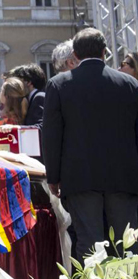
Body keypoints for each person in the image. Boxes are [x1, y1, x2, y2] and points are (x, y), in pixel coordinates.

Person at [43, 28, 138, 260]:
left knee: (89, 242)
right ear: (105, 52)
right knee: (126, 244)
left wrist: (53, 177)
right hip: (123, 177)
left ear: (74, 54)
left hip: (80, 177)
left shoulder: (58, 85)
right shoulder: (129, 84)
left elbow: (52, 136)